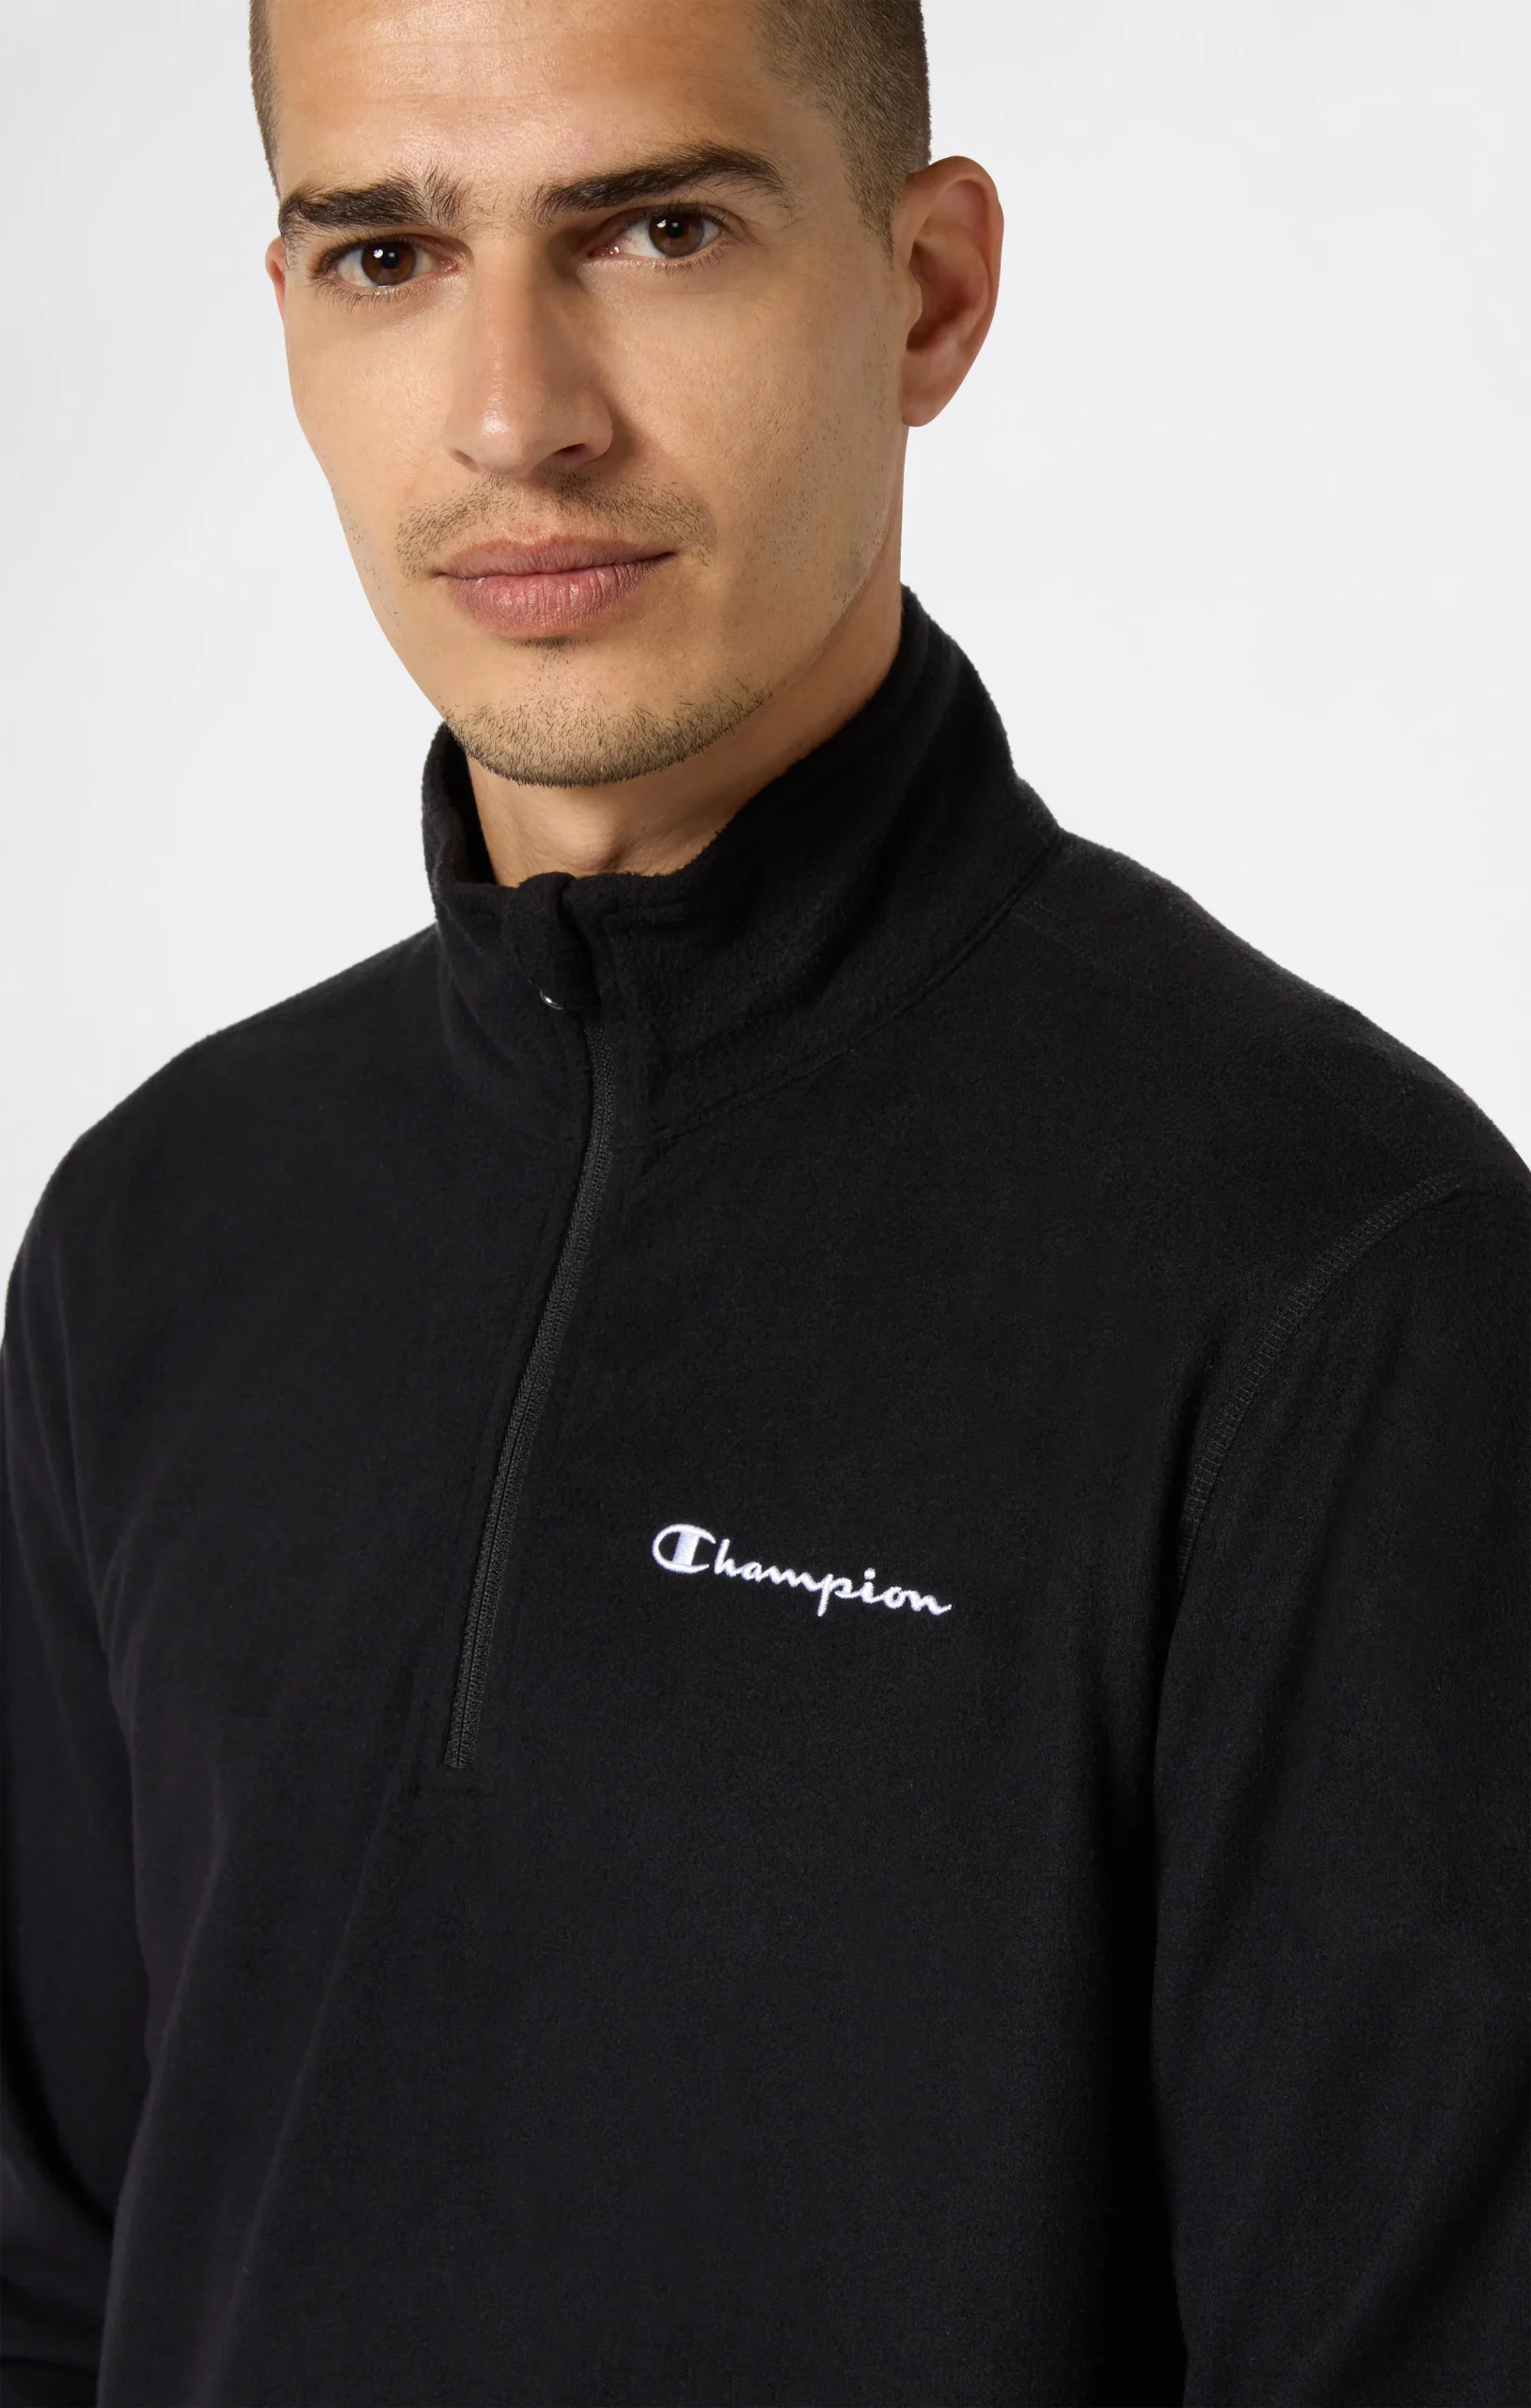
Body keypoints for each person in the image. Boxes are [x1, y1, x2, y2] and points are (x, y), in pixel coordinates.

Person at [2, 0, 1525, 2400]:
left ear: (926, 291)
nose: (515, 415)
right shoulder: (151, 1231)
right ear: (288, 314)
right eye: (389, 255)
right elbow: (50, 2280)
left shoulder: (1340, 1267)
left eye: (658, 231)